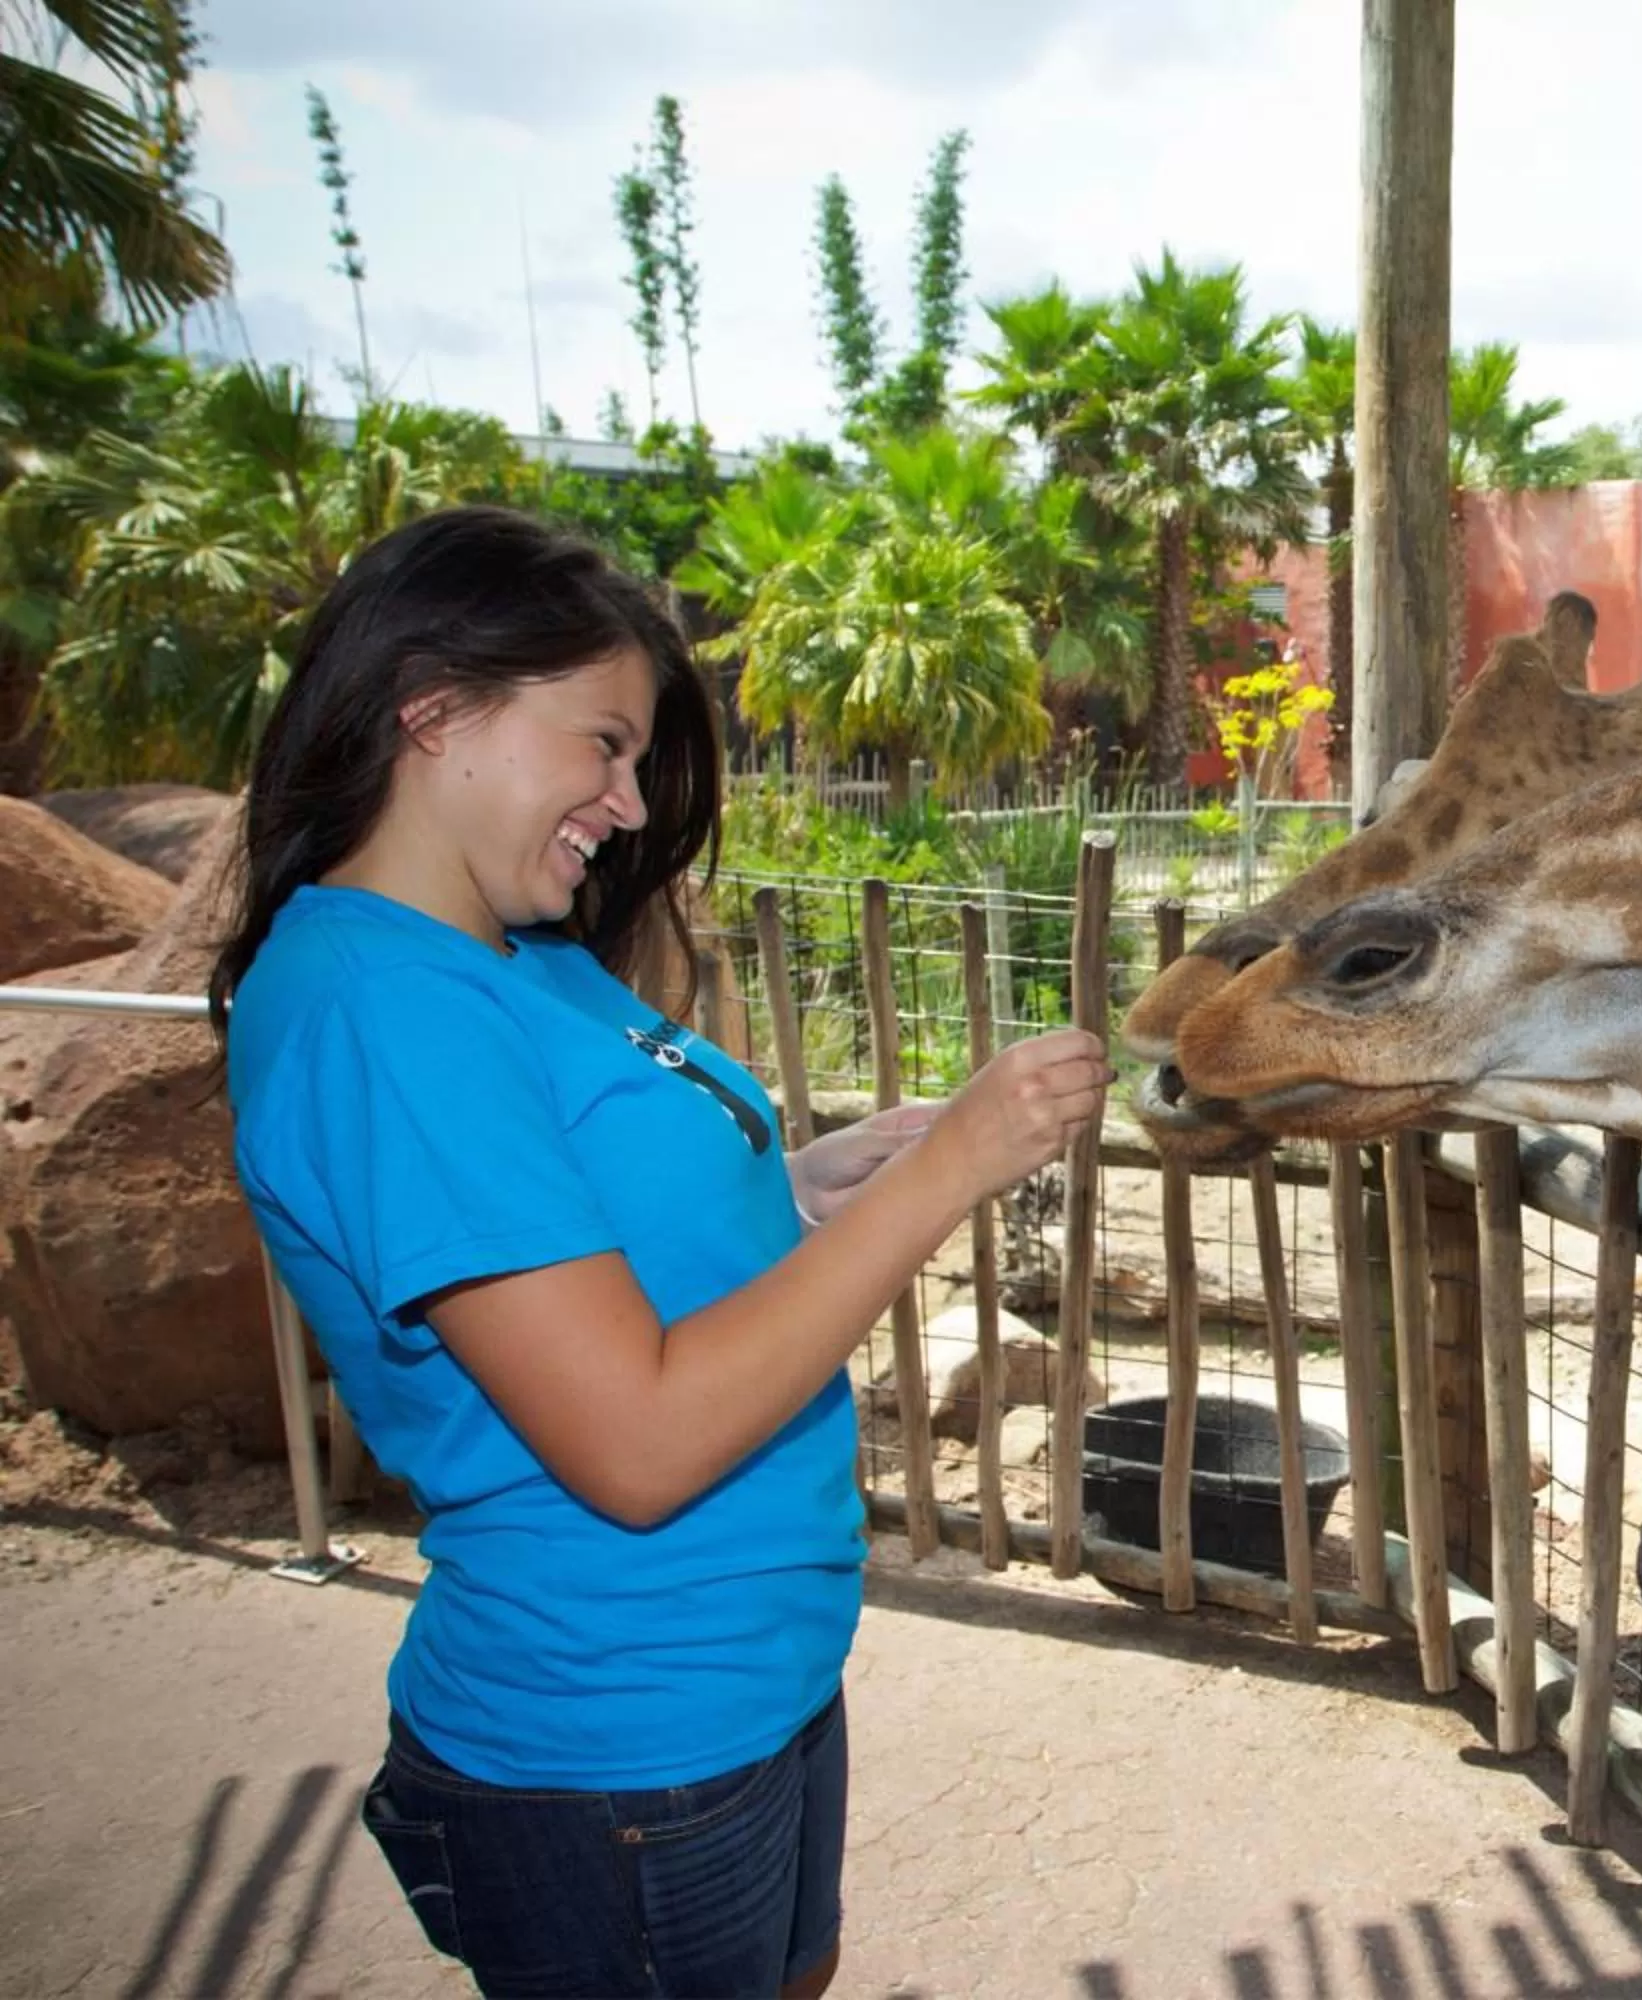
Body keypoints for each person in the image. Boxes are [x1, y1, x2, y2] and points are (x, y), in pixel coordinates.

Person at [211, 507, 1110, 1998]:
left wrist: (804, 1188)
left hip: (746, 1674)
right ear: (435, 709)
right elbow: (634, 1438)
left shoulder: (518, 959)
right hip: (614, 1734)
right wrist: (950, 1171)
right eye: (604, 745)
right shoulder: (379, 1005)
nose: (629, 805)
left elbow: (595, 1228)